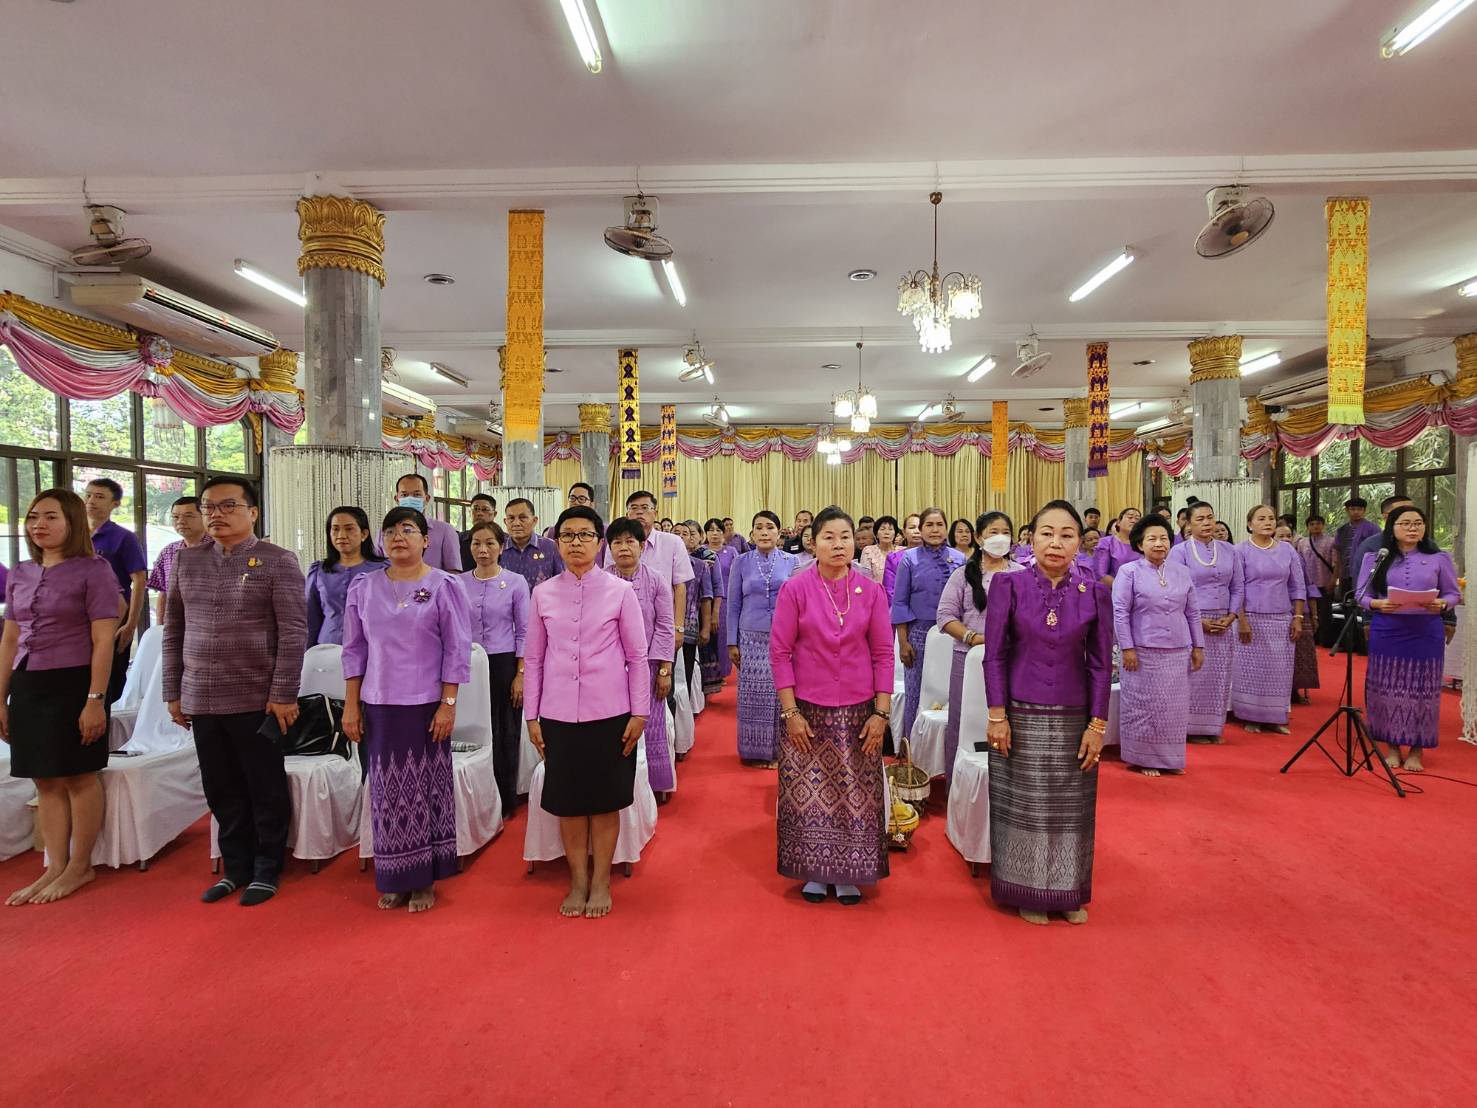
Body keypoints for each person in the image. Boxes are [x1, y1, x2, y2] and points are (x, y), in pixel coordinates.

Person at [164, 477, 307, 907]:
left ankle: (267, 867)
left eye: (228, 506)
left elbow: (294, 632)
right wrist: (174, 690)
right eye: (209, 507)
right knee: (220, 787)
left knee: (263, 786)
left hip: (256, 696)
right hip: (201, 697)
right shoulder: (187, 562)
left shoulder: (277, 561)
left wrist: (283, 693)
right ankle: (236, 867)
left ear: (253, 513)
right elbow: (174, 630)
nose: (216, 515)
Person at [984, 500, 1112, 925]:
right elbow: (995, 655)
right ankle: (1028, 888)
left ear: (1080, 542)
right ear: (1031, 538)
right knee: (1027, 803)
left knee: (1072, 805)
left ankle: (1067, 890)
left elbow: (1099, 663)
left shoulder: (1095, 592)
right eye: (1047, 533)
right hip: (1020, 710)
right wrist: (997, 714)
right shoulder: (1008, 585)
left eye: (1067, 534)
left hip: (1076, 714)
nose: (1056, 542)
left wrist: (1098, 724)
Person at [342, 507, 471, 913]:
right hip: (379, 705)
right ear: (379, 540)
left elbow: (457, 649)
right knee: (385, 793)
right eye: (391, 531)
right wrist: (351, 705)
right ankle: (394, 876)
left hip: (426, 707)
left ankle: (424, 878)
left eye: (409, 530)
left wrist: (448, 705)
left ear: (425, 540)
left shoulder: (443, 586)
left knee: (424, 789)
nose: (399, 537)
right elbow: (354, 650)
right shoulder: (363, 588)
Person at [524, 506, 650, 919]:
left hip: (611, 712)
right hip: (558, 713)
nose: (575, 543)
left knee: (604, 801)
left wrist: (640, 713)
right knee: (569, 802)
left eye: (584, 535)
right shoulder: (543, 593)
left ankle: (601, 881)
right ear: (557, 542)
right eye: (567, 535)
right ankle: (577, 879)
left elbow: (637, 656)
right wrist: (532, 714)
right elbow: (535, 659)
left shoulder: (620, 591)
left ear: (599, 543)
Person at [0, 489, 119, 905]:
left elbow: (103, 640)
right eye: (33, 517)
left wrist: (95, 699)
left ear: (72, 522)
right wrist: (0, 697)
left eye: (50, 517)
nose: (39, 525)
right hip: (28, 682)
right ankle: (54, 864)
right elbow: (11, 637)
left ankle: (79, 865)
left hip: (74, 681)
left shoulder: (94, 570)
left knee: (78, 775)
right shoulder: (20, 572)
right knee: (44, 779)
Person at [770, 506, 893, 905]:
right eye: (829, 537)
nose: (838, 544)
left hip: (859, 709)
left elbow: (883, 654)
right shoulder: (796, 588)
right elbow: (780, 651)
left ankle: (849, 870)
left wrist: (881, 713)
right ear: (814, 542)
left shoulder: (871, 591)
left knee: (855, 790)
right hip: (806, 706)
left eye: (845, 536)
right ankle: (813, 870)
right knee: (807, 790)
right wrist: (790, 713)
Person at [1359, 505, 1460, 773]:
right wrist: (1378, 605)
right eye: (1405, 523)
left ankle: (1417, 749)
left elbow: (1454, 595)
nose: (1413, 528)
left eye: (1418, 523)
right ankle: (1392, 746)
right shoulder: (1376, 558)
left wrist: (1441, 604)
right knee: (1387, 689)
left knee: (1422, 691)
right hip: (1388, 629)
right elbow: (1361, 595)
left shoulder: (1439, 558)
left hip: (1425, 630)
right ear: (1391, 528)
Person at [1113, 516, 1204, 776]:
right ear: (1140, 544)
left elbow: (1193, 611)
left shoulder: (1182, 572)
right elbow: (1120, 612)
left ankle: (1170, 759)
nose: (1159, 543)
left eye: (1163, 538)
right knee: (1144, 707)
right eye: (1151, 539)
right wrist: (1127, 648)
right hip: (1142, 650)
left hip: (1178, 650)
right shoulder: (1128, 572)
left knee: (1173, 708)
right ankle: (1143, 758)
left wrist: (1199, 646)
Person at [936, 511, 1024, 778]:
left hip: (1012, 661)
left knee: (1008, 720)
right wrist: (974, 638)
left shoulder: (1022, 575)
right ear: (978, 537)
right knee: (965, 722)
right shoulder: (963, 574)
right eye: (993, 532)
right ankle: (959, 786)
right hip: (969, 660)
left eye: (1006, 533)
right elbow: (945, 616)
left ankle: (1008, 786)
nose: (1000, 538)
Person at [456, 519, 529, 814]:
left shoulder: (515, 582)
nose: (483, 550)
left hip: (503, 662)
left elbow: (524, 630)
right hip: (468, 663)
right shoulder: (458, 582)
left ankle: (504, 798)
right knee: (472, 728)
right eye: (476, 543)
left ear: (501, 547)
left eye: (490, 543)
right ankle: (475, 801)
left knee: (504, 729)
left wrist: (521, 674)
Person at [605, 518, 676, 795]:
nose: (623, 548)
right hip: (610, 667)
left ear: (642, 546)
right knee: (615, 725)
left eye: (630, 541)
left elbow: (665, 626)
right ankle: (621, 784)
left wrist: (663, 670)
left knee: (652, 723)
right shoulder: (601, 579)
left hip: (648, 665)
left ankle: (655, 784)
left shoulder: (656, 580)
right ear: (609, 547)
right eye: (617, 542)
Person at [727, 511, 799, 765]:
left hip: (785, 636)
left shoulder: (793, 562)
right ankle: (753, 752)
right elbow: (733, 604)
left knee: (783, 695)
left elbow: (801, 602)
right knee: (753, 697)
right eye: (759, 528)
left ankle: (782, 752)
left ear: (779, 533)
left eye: (770, 527)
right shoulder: (741, 562)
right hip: (750, 636)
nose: (765, 532)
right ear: (752, 534)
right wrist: (731, 642)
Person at [1169, 501, 1243, 743]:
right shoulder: (1179, 552)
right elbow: (1175, 591)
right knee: (1195, 674)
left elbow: (1238, 587)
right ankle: (1191, 728)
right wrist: (1199, 622)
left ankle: (1214, 727)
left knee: (1219, 676)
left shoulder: (1230, 550)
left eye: (1210, 517)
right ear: (1188, 524)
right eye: (1200, 519)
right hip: (1192, 621)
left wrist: (1232, 616)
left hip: (1224, 621)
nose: (1207, 523)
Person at [892, 508, 968, 740]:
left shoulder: (960, 559)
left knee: (951, 691)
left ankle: (947, 748)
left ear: (947, 529)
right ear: (921, 529)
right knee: (915, 691)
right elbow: (900, 602)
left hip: (954, 634)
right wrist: (903, 642)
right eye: (929, 525)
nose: (935, 530)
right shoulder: (909, 559)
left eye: (939, 525)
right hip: (918, 633)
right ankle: (912, 749)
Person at [1231, 505, 1308, 735]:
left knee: (1279, 669)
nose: (1268, 522)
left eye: (1271, 518)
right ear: (1249, 524)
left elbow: (1298, 585)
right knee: (1250, 670)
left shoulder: (1287, 550)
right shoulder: (1240, 551)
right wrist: (1241, 619)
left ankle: (1275, 717)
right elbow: (1237, 587)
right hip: (1251, 617)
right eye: (1261, 518)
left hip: (1281, 618)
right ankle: (1250, 716)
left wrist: (1297, 616)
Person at [601, 491, 694, 655]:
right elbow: (609, 580)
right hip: (620, 627)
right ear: (627, 513)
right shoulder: (615, 543)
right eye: (633, 508)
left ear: (655, 513)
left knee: (662, 674)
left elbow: (680, 587)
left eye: (645, 508)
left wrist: (678, 627)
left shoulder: (672, 542)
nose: (639, 512)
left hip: (661, 625)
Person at [82, 478, 145, 705]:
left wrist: (131, 624)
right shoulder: (71, 535)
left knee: (110, 679)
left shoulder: (123, 538)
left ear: (115, 504)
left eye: (100, 497)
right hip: (79, 617)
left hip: (114, 615)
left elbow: (139, 580)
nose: (91, 501)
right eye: (88, 495)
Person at [306, 506, 386, 646]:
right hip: (327, 649)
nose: (341, 535)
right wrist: (308, 654)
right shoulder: (319, 571)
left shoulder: (383, 569)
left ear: (364, 534)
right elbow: (311, 618)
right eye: (335, 529)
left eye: (349, 529)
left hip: (370, 649)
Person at [147, 496, 210, 624]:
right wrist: (160, 626)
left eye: (188, 516)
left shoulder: (221, 549)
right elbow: (163, 592)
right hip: (176, 625)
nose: (181, 521)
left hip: (209, 625)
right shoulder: (169, 552)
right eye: (175, 517)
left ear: (205, 516)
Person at [1277, 521, 1320, 702]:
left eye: (1289, 536)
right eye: (1281, 536)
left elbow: (1308, 586)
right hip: (1279, 611)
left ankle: (1297, 691)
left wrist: (1314, 614)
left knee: (1302, 653)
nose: (1286, 539)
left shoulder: (1298, 557)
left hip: (1302, 610)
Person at [383, 474, 461, 572]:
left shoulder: (445, 531)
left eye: (417, 495)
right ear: (397, 499)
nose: (410, 499)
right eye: (404, 495)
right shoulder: (385, 532)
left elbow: (453, 572)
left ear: (427, 499)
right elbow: (378, 567)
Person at [700, 518, 735, 694]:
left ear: (723, 533)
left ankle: (722, 672)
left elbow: (737, 577)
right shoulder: (702, 552)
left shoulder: (732, 551)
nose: (715, 533)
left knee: (722, 637)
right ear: (705, 534)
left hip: (727, 600)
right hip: (705, 600)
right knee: (708, 637)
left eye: (718, 530)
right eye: (711, 530)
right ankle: (710, 674)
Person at [1296, 514, 1340, 648]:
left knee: (1325, 613)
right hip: (1308, 584)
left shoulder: (1331, 541)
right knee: (1309, 613)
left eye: (1318, 523)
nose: (1315, 526)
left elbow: (1336, 562)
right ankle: (1312, 640)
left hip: (1324, 582)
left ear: (1323, 525)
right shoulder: (1302, 542)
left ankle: (1326, 640)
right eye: (1312, 524)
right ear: (1307, 527)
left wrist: (1334, 580)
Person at [502, 498, 564, 589]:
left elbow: (561, 581)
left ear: (534, 520)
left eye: (522, 518)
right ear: (505, 522)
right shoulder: (499, 548)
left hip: (542, 603)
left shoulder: (550, 547)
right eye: (511, 518)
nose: (516, 523)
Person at [1094, 507, 1142, 587]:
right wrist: (1125, 588)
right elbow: (1101, 574)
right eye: (1130, 517)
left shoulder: (1143, 543)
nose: (1134, 521)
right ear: (1119, 522)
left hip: (1141, 592)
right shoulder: (1106, 542)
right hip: (1114, 591)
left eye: (1137, 519)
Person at [882, 512, 922, 603]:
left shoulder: (932, 557)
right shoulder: (893, 559)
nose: (916, 531)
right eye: (912, 528)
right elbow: (889, 592)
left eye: (920, 528)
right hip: (900, 612)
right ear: (904, 532)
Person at [459, 492, 498, 570]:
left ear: (494, 514)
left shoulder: (504, 539)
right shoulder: (459, 539)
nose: (479, 513)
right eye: (476, 509)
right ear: (470, 512)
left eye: (485, 509)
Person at [861, 514, 898, 587]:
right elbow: (865, 579)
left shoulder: (903, 551)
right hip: (876, 594)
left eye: (890, 529)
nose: (886, 532)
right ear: (876, 534)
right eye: (882, 529)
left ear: (895, 534)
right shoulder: (868, 551)